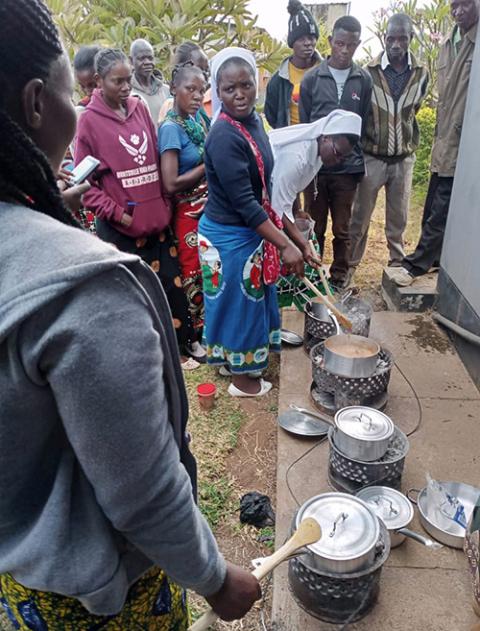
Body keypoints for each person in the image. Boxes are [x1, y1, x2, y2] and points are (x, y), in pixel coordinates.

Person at [0, 0, 261, 629]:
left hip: (17, 585)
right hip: (99, 600)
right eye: (74, 87)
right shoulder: (85, 288)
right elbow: (141, 490)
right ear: (39, 103)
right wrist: (214, 579)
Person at [75, 48, 199, 366]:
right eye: (118, 81)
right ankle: (149, 353)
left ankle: (185, 344)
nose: (127, 87)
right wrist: (119, 213)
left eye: (129, 80)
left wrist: (165, 200)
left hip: (157, 220)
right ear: (100, 81)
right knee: (135, 296)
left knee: (172, 286)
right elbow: (84, 186)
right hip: (123, 232)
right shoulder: (88, 122)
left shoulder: (139, 108)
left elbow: (157, 158)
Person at [199, 49, 305, 397]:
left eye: (246, 85)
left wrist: (290, 238)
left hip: (248, 231)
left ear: (256, 86)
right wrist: (285, 244)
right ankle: (243, 382)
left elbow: (263, 185)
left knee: (249, 300)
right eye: (229, 89)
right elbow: (245, 204)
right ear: (218, 91)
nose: (239, 94)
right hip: (231, 235)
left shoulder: (253, 121)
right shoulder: (224, 137)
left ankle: (241, 362)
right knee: (241, 305)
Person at [391, 0, 479, 286]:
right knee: (432, 204)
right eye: (454, 6)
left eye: (466, 4)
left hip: (466, 141)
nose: (458, 11)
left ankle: (417, 264)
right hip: (445, 139)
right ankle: (435, 259)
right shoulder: (448, 43)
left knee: (442, 206)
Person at [348, 14, 429, 280]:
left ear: (410, 39)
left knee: (399, 219)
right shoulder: (367, 72)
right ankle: (349, 267)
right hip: (371, 156)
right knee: (359, 217)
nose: (396, 44)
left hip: (403, 159)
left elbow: (413, 110)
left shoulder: (420, 73)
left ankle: (396, 266)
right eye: (391, 37)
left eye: (402, 38)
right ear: (384, 38)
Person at [299, 15, 372, 290]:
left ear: (358, 45)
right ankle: (313, 278)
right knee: (314, 226)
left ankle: (339, 277)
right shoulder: (312, 79)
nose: (344, 50)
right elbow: (307, 124)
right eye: (339, 43)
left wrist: (348, 152)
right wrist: (317, 152)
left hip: (348, 170)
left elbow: (362, 121)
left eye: (350, 45)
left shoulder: (363, 80)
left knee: (342, 229)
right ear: (330, 42)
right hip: (316, 170)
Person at [270, 110, 362, 309]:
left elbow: (292, 187)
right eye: (338, 153)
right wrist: (302, 245)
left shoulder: (320, 151)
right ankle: (275, 308)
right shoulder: (296, 155)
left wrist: (298, 211)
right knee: (285, 256)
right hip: (260, 207)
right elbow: (277, 208)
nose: (338, 161)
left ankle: (285, 306)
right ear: (326, 136)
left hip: (276, 202)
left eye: (343, 158)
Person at [159, 64, 208, 358]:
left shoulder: (198, 121)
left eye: (201, 90)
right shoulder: (170, 129)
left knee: (208, 270)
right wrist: (208, 166)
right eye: (190, 89)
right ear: (174, 89)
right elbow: (171, 183)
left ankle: (208, 330)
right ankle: (192, 338)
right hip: (187, 213)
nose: (197, 95)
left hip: (207, 207)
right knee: (191, 275)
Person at [264, 0, 321, 129]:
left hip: (321, 141)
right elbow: (271, 115)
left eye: (311, 38)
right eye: (301, 39)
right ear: (292, 43)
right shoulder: (278, 80)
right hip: (290, 141)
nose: (307, 43)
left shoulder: (326, 72)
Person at [158, 41, 212, 125]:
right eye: (199, 69)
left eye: (206, 70)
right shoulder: (172, 106)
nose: (204, 75)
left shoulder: (197, 108)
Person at [129, 38, 170, 127]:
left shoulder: (166, 91)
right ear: (131, 61)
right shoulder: (126, 92)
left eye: (150, 58)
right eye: (142, 58)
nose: (147, 62)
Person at [73, 45, 102, 111]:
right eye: (82, 86)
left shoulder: (126, 103)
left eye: (93, 85)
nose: (88, 93)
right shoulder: (82, 110)